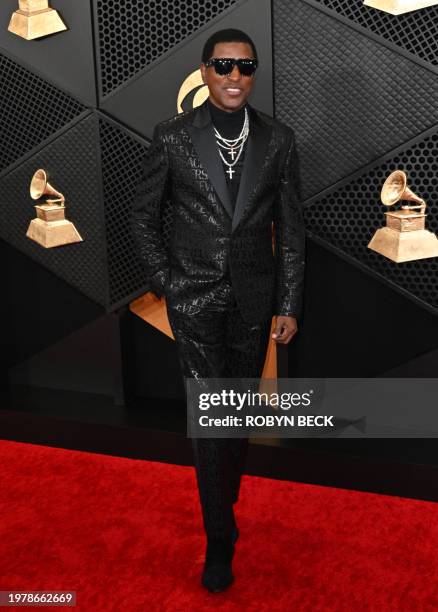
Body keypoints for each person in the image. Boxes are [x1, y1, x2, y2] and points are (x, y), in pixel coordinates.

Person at [131, 28, 305, 593]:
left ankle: (223, 496)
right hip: (195, 301)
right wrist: (167, 282)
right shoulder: (173, 137)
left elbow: (294, 231)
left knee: (235, 417)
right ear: (204, 71)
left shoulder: (278, 140)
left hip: (255, 300)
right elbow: (142, 217)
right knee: (212, 419)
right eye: (224, 66)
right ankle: (220, 538)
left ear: (254, 74)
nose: (235, 77)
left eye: (245, 67)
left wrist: (287, 301)